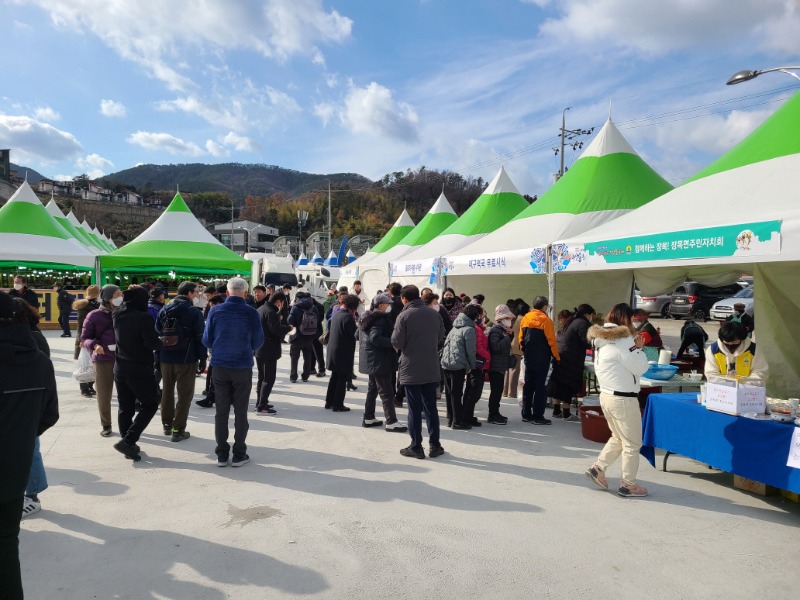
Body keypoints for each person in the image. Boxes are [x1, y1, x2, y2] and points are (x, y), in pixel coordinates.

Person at [0, 292, 58, 600]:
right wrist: (20, 436)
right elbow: (49, 414)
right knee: (7, 545)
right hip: (14, 472)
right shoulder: (39, 361)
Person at [585, 303, 650, 498]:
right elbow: (640, 368)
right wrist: (639, 349)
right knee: (632, 443)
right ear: (626, 319)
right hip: (623, 398)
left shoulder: (600, 339)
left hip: (607, 395)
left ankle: (598, 468)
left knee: (619, 438)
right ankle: (628, 484)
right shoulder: (623, 340)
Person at [202, 277, 263, 467]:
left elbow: (207, 340)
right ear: (246, 294)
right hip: (242, 366)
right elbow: (258, 341)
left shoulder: (215, 311)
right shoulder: (251, 313)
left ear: (226, 293)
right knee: (241, 411)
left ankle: (221, 454)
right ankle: (238, 453)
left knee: (221, 411)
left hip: (219, 365)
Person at [393, 285, 446, 459]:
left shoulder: (404, 316)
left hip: (411, 368)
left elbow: (397, 342)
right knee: (431, 408)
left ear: (404, 299)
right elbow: (440, 338)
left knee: (414, 410)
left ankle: (416, 446)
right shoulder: (434, 314)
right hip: (431, 367)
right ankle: (435, 445)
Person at [112, 287, 163, 461]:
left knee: (125, 407)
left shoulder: (117, 314)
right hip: (139, 368)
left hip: (120, 366)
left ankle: (128, 444)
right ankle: (129, 440)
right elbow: (151, 343)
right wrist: (162, 342)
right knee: (150, 404)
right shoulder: (143, 318)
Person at [156, 282, 206, 442]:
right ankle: (178, 429)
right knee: (185, 394)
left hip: (165, 356)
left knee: (167, 392)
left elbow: (157, 331)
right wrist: (203, 358)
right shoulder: (193, 311)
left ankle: (167, 425)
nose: (198, 295)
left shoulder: (164, 309)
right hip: (186, 357)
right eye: (196, 292)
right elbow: (200, 337)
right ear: (190, 293)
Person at [358, 293, 407, 431]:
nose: (389, 307)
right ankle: (391, 421)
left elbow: (359, 335)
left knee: (373, 389)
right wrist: (393, 343)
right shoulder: (379, 319)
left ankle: (368, 417)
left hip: (371, 359)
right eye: (387, 304)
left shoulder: (366, 317)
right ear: (381, 305)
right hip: (379, 360)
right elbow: (375, 338)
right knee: (386, 391)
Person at [81, 284, 121, 437]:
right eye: (116, 295)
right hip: (103, 359)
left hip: (123, 357)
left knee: (126, 394)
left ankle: (126, 424)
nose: (120, 297)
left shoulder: (124, 312)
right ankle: (106, 424)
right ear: (107, 298)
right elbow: (84, 338)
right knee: (104, 394)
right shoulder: (94, 315)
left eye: (121, 294)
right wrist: (94, 345)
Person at [549, 304, 595, 421]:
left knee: (558, 384)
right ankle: (566, 413)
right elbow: (586, 342)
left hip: (561, 355)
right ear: (587, 314)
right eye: (591, 315)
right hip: (571, 358)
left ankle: (556, 410)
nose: (591, 317)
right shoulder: (583, 323)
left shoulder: (572, 320)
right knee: (567, 386)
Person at [519, 296, 560, 425]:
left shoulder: (526, 318)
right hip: (542, 359)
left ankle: (526, 414)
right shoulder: (546, 321)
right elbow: (552, 341)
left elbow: (521, 338)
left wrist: (525, 351)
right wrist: (557, 357)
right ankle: (538, 416)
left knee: (528, 385)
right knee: (540, 387)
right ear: (544, 307)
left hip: (529, 357)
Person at [440, 304, 478, 429]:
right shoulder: (469, 329)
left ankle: (451, 418)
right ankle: (457, 422)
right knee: (457, 394)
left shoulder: (455, 326)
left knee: (449, 393)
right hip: (458, 365)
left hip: (446, 363)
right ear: (475, 316)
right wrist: (471, 366)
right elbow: (470, 351)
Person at [255, 291, 291, 414]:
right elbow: (275, 329)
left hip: (259, 347)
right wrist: (288, 328)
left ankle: (260, 401)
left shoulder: (261, 308)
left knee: (262, 377)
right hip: (268, 349)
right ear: (278, 302)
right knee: (268, 378)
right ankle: (262, 405)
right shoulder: (271, 312)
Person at [325, 294, 360, 412]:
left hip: (334, 350)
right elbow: (354, 335)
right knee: (342, 378)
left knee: (334, 377)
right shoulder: (348, 318)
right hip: (343, 352)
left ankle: (329, 402)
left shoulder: (337, 313)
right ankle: (338, 404)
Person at [704, 321, 768, 380]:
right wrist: (725, 385)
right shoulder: (713, 350)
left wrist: (748, 382)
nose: (730, 345)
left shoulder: (754, 350)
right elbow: (711, 373)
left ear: (742, 339)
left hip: (748, 388)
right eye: (727, 343)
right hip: (722, 389)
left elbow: (760, 371)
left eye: (734, 342)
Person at [487, 304, 516, 425]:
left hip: (500, 365)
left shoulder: (503, 331)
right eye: (508, 318)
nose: (510, 321)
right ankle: (492, 415)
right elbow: (495, 347)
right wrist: (507, 338)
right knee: (495, 391)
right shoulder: (496, 330)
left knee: (498, 391)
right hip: (495, 366)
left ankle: (495, 413)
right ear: (501, 319)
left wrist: (509, 335)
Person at [196, 294, 226, 408]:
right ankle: (210, 394)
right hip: (217, 350)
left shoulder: (218, 314)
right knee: (213, 374)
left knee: (216, 375)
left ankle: (211, 396)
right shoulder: (217, 313)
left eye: (213, 305)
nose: (211, 307)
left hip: (220, 350)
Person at [463, 306, 490, 427]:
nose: (484, 318)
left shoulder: (477, 328)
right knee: (474, 392)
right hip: (477, 364)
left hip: (475, 364)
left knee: (471, 391)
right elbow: (478, 347)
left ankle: (468, 415)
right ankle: (467, 416)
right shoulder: (476, 329)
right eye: (482, 316)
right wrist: (488, 356)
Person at [287, 291, 321, 382]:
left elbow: (289, 320)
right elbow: (317, 320)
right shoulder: (313, 307)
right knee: (308, 356)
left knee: (294, 357)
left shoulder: (295, 307)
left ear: (297, 298)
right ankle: (305, 376)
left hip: (297, 336)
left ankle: (293, 377)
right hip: (309, 336)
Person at [73, 285, 101, 397]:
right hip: (85, 337)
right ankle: (84, 388)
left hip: (96, 337)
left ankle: (90, 385)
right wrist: (81, 339)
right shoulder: (84, 306)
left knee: (93, 362)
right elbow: (81, 325)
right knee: (84, 364)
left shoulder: (97, 305)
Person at [504, 300, 528, 399]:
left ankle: (505, 391)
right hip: (517, 346)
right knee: (515, 370)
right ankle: (512, 393)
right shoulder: (522, 319)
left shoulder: (515, 317)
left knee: (509, 369)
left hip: (512, 343)